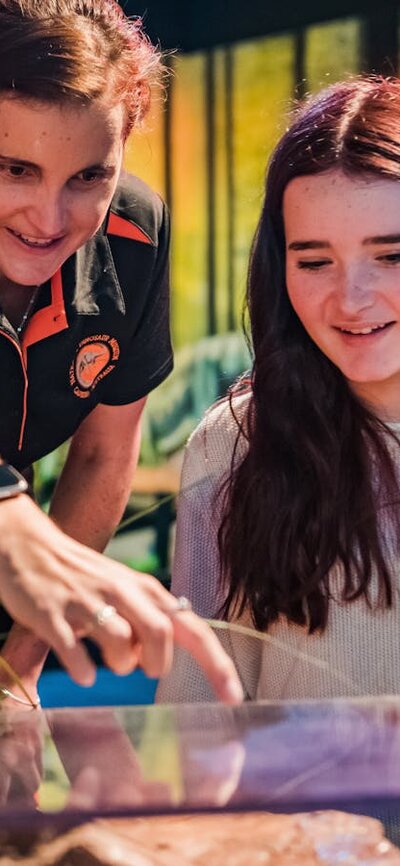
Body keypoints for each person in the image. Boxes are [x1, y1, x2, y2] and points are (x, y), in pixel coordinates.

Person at [0, 0, 243, 708]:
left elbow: (105, 456)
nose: (49, 220)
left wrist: (18, 671)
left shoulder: (139, 232)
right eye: (15, 169)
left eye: (88, 177)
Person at [157, 74, 400, 704]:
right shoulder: (233, 444)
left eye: (392, 255)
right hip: (291, 808)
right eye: (313, 261)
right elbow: (197, 711)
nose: (351, 298)